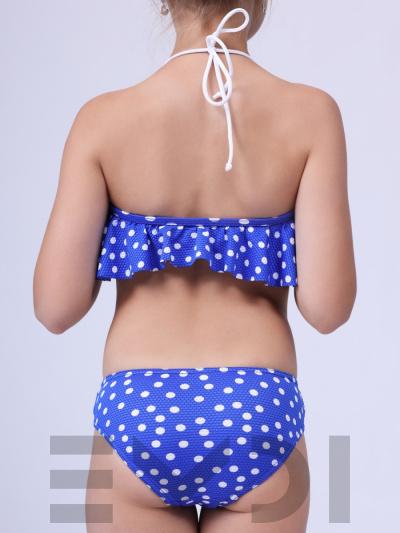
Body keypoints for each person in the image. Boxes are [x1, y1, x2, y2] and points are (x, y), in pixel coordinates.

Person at [33, 0, 357, 531]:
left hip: (139, 414)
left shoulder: (102, 119)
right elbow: (328, 309)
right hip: (259, 413)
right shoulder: (312, 113)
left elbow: (55, 308)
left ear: (165, 2)